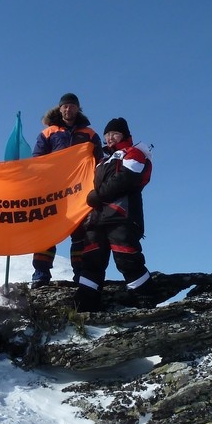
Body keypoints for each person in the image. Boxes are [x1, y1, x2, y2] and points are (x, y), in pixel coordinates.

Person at [75, 117, 154, 312]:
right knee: (91, 260)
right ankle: (85, 305)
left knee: (127, 259)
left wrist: (98, 195)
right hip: (97, 219)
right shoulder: (102, 162)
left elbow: (126, 178)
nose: (110, 138)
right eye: (107, 135)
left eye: (114, 134)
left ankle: (145, 300)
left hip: (122, 216)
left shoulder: (135, 153)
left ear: (124, 135)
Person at [30, 92, 103, 287]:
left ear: (78, 108)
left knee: (80, 233)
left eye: (72, 105)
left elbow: (99, 162)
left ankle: (80, 274)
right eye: (65, 106)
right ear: (60, 108)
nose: (68, 109)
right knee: (46, 232)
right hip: (53, 191)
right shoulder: (48, 132)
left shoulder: (90, 134)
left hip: (80, 191)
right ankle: (40, 274)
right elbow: (37, 160)